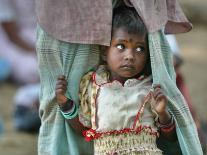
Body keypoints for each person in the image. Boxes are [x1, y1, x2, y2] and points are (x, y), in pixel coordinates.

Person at [35, 0, 199, 155]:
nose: (130, 56)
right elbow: (84, 130)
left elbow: (169, 138)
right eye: (121, 46)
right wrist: (65, 105)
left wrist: (163, 113)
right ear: (105, 52)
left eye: (140, 49)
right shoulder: (93, 88)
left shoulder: (149, 88)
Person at [0, 0, 39, 84]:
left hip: (38, 32)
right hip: (13, 41)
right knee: (31, 71)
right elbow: (12, 36)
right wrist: (39, 53)